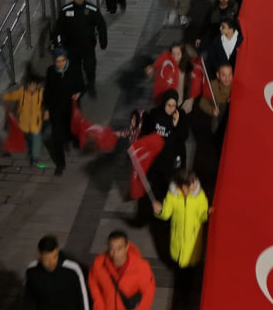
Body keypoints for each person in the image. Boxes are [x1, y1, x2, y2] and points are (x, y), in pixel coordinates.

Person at [153, 170, 211, 309]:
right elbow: (167, 214)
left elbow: (202, 216)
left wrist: (207, 213)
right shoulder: (172, 196)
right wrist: (159, 211)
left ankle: (186, 297)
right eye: (186, 185)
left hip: (193, 244)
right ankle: (182, 296)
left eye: (191, 184)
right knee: (180, 274)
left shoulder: (200, 196)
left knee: (190, 274)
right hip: (178, 244)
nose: (189, 188)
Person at [55, 0, 107, 96]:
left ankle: (91, 84)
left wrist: (103, 41)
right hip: (71, 46)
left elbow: (101, 25)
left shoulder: (92, 10)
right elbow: (59, 28)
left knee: (90, 67)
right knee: (75, 68)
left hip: (87, 46)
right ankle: (79, 87)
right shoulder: (66, 10)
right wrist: (58, 42)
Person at [89, 230, 156, 310]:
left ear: (126, 247)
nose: (115, 253)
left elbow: (148, 293)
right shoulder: (99, 264)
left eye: (119, 249)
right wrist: (99, 306)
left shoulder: (141, 267)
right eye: (112, 248)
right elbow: (93, 283)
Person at [44, 49, 85, 175]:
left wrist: (78, 94)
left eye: (63, 60)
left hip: (71, 108)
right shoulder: (51, 71)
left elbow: (82, 86)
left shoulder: (75, 69)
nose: (61, 64)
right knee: (57, 137)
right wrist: (46, 109)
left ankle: (75, 139)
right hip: (56, 109)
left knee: (72, 129)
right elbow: (48, 91)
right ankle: (60, 164)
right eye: (58, 61)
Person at [142, 91, 188, 199]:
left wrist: (175, 125)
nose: (171, 108)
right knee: (157, 183)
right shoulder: (155, 113)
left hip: (172, 158)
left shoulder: (181, 115)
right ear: (164, 103)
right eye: (168, 105)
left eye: (174, 105)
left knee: (172, 184)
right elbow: (147, 130)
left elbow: (184, 136)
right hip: (157, 158)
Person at [23, 235, 89, 310]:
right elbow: (27, 300)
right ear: (40, 256)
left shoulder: (72, 270)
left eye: (54, 257)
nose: (51, 263)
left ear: (57, 251)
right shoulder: (32, 271)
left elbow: (83, 299)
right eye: (47, 260)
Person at [2, 74, 45, 167]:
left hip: (36, 122)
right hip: (24, 122)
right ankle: (30, 150)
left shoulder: (41, 93)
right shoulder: (22, 92)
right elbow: (12, 96)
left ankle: (35, 158)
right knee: (28, 139)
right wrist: (5, 96)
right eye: (30, 85)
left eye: (34, 85)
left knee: (36, 140)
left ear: (37, 86)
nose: (31, 88)